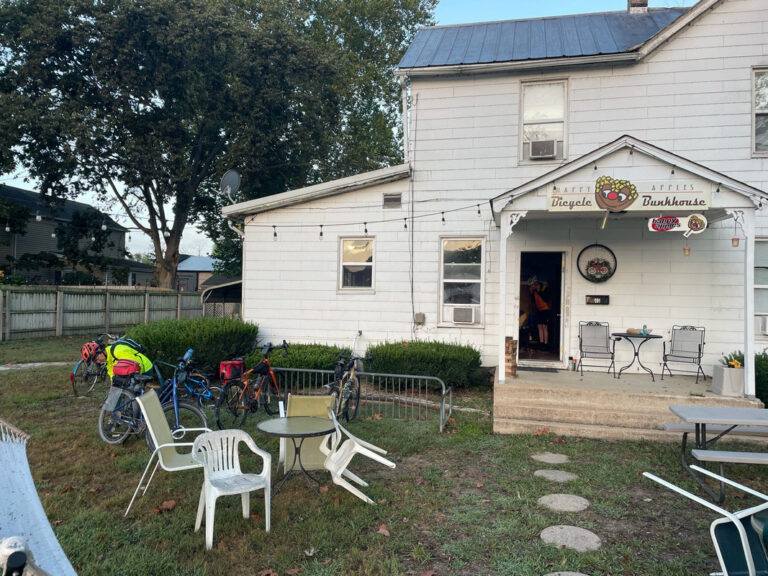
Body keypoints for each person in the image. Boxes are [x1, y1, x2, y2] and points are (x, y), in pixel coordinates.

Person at [81, 340, 153, 379]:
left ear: (100, 351)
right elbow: (112, 374)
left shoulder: (118, 351)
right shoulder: (107, 360)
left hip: (145, 368)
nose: (98, 362)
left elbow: (137, 364)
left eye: (97, 359)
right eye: (95, 361)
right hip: (132, 370)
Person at [530, 281, 553, 346]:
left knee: (544, 327)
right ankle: (541, 343)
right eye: (535, 285)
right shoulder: (535, 293)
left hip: (545, 310)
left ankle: (545, 343)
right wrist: (531, 291)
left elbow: (546, 299)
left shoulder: (544, 291)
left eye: (537, 285)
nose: (536, 286)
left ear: (540, 285)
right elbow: (533, 301)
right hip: (539, 311)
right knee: (539, 327)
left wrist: (539, 291)